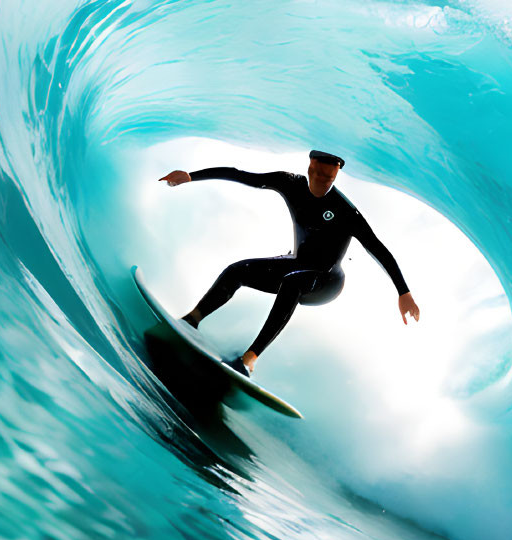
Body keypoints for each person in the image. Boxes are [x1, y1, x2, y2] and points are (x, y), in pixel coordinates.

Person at [158, 150, 419, 375]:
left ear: (336, 176)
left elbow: (378, 249)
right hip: (296, 264)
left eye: (327, 178)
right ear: (309, 167)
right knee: (237, 271)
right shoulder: (291, 183)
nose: (320, 181)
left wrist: (403, 291)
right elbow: (240, 175)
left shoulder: (346, 211)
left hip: (326, 281)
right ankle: (192, 319)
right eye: (316, 173)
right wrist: (192, 175)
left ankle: (249, 360)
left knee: (292, 283)